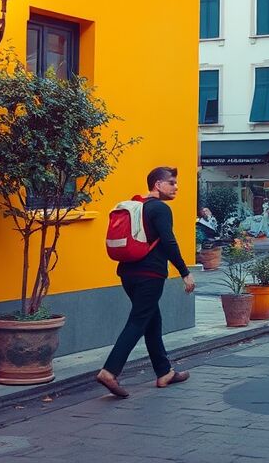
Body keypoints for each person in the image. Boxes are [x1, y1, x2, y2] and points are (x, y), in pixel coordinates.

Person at [96, 166, 195, 398]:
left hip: (127, 273)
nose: (176, 187)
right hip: (149, 275)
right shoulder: (160, 208)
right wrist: (184, 272)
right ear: (158, 185)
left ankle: (164, 372)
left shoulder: (138, 206)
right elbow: (169, 242)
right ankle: (109, 371)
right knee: (138, 321)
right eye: (172, 182)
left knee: (152, 320)